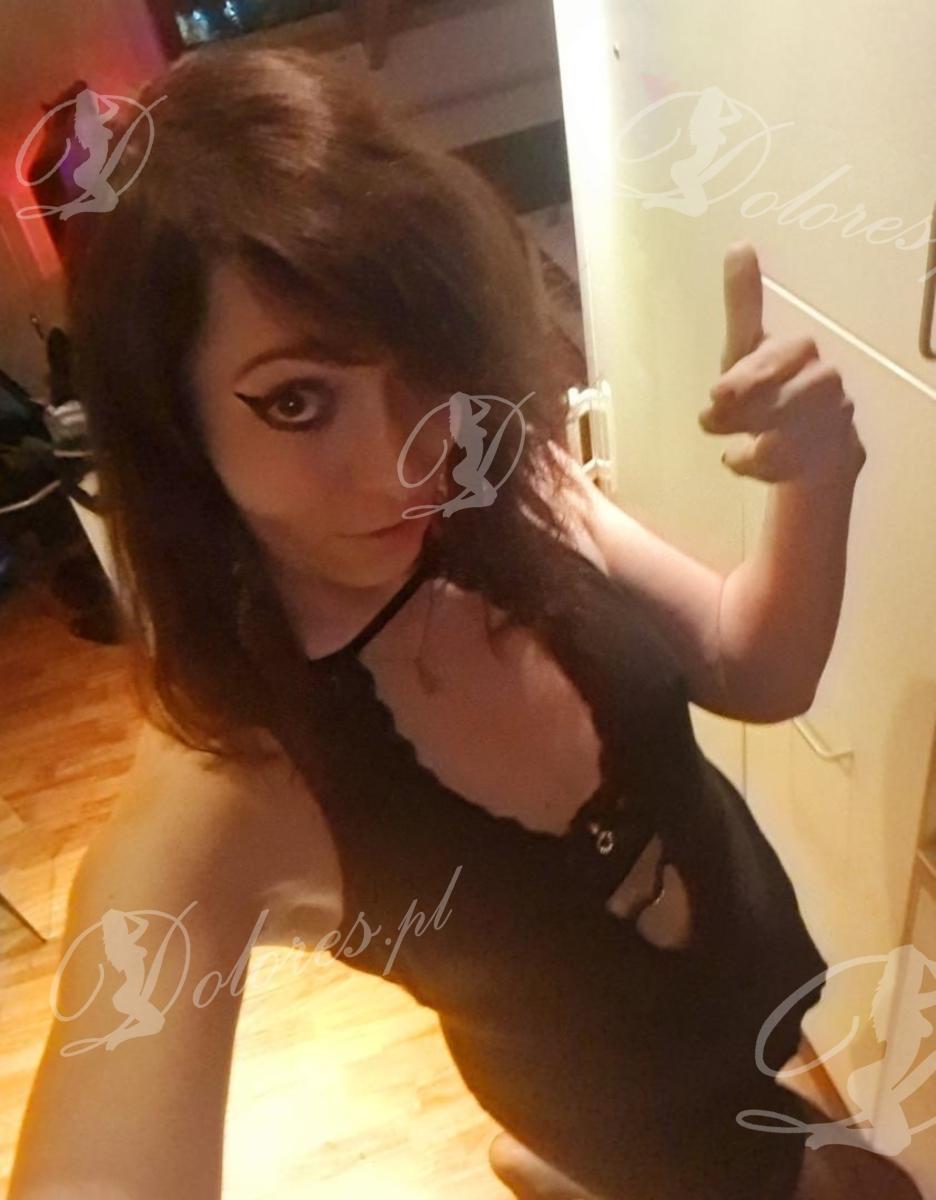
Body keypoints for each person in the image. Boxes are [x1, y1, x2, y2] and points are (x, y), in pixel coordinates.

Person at [7, 43, 924, 1200]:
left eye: (421, 365)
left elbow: (757, 668)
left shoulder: (511, 484)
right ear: (177, 426)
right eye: (297, 401)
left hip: (759, 1012)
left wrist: (820, 478)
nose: (407, 459)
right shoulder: (233, 786)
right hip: (634, 1135)